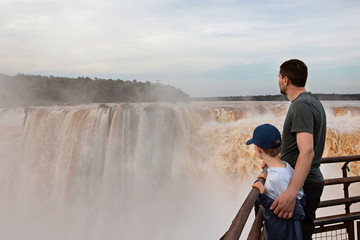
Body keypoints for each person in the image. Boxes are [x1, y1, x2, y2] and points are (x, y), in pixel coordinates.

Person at [269, 59, 327, 240]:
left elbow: (307, 151)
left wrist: (291, 193)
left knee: (298, 236)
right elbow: (297, 145)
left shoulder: (301, 106)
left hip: (304, 185)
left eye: (278, 77)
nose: (278, 81)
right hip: (307, 182)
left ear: (285, 80)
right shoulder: (311, 102)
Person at [247, 123, 306, 240]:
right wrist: (266, 176)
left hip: (283, 233)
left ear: (258, 149)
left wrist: (263, 196)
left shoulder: (277, 178)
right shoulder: (286, 166)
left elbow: (298, 211)